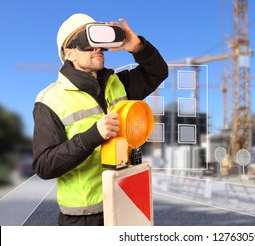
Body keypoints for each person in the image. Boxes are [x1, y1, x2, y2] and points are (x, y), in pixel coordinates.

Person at [32, 13, 168, 226]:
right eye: (87, 42)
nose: (97, 48)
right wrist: (92, 136)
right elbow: (44, 166)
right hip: (83, 218)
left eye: (99, 41)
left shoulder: (118, 84)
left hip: (126, 201)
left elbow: (158, 72)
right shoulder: (50, 100)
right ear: (70, 53)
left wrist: (138, 47)